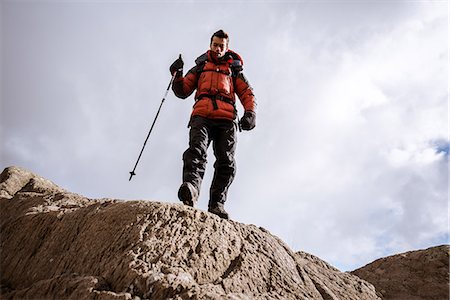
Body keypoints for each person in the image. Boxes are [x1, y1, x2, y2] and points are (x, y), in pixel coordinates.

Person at [169, 29, 256, 219]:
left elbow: (247, 93)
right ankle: (191, 190)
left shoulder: (234, 70)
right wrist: (177, 74)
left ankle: (217, 204)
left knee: (226, 162)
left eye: (221, 46)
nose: (217, 49)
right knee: (196, 152)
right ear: (210, 45)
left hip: (227, 120)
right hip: (202, 115)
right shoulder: (200, 67)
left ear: (226, 48)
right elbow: (183, 90)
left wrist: (250, 113)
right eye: (215, 45)